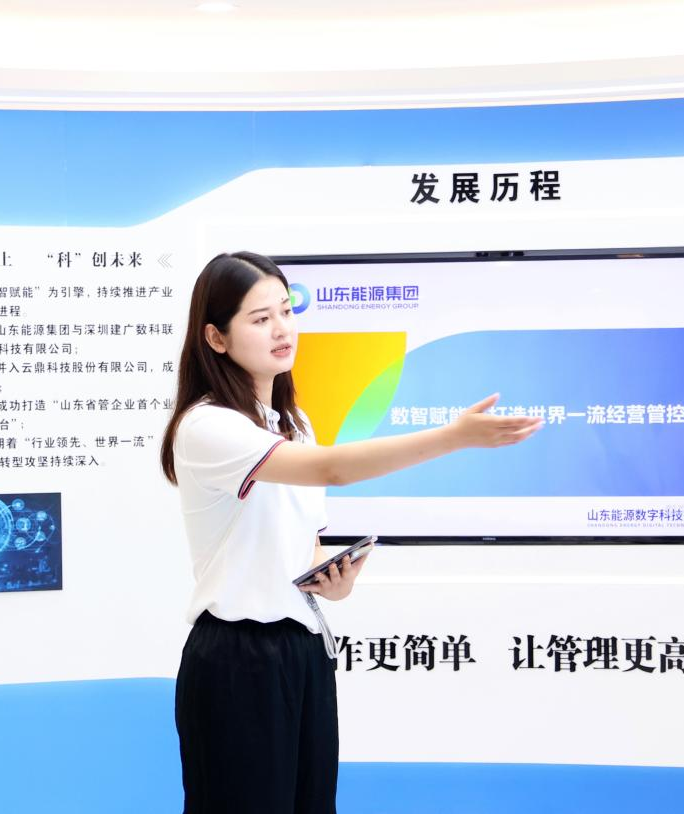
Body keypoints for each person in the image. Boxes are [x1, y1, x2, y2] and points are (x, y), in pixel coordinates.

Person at [158, 251, 541, 814]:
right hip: (237, 658)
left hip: (302, 647)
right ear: (216, 338)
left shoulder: (295, 424)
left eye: (286, 310)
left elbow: (304, 538)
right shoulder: (207, 426)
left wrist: (331, 581)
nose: (282, 329)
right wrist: (452, 437)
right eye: (260, 318)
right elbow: (333, 469)